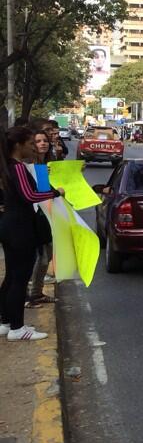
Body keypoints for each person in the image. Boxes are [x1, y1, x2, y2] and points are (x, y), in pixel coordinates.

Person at [0, 127, 64, 340]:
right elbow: (29, 195)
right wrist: (56, 192)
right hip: (20, 227)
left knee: (11, 277)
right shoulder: (18, 168)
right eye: (31, 143)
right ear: (19, 145)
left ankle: (6, 322)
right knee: (19, 278)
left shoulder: (10, 166)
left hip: (12, 225)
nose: (34, 147)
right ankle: (17, 327)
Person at [26, 131, 57, 308]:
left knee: (47, 254)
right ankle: (32, 294)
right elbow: (40, 192)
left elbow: (46, 190)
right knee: (42, 257)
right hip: (35, 216)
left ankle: (36, 292)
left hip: (47, 214)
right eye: (38, 141)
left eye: (45, 140)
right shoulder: (29, 166)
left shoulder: (45, 164)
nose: (43, 144)